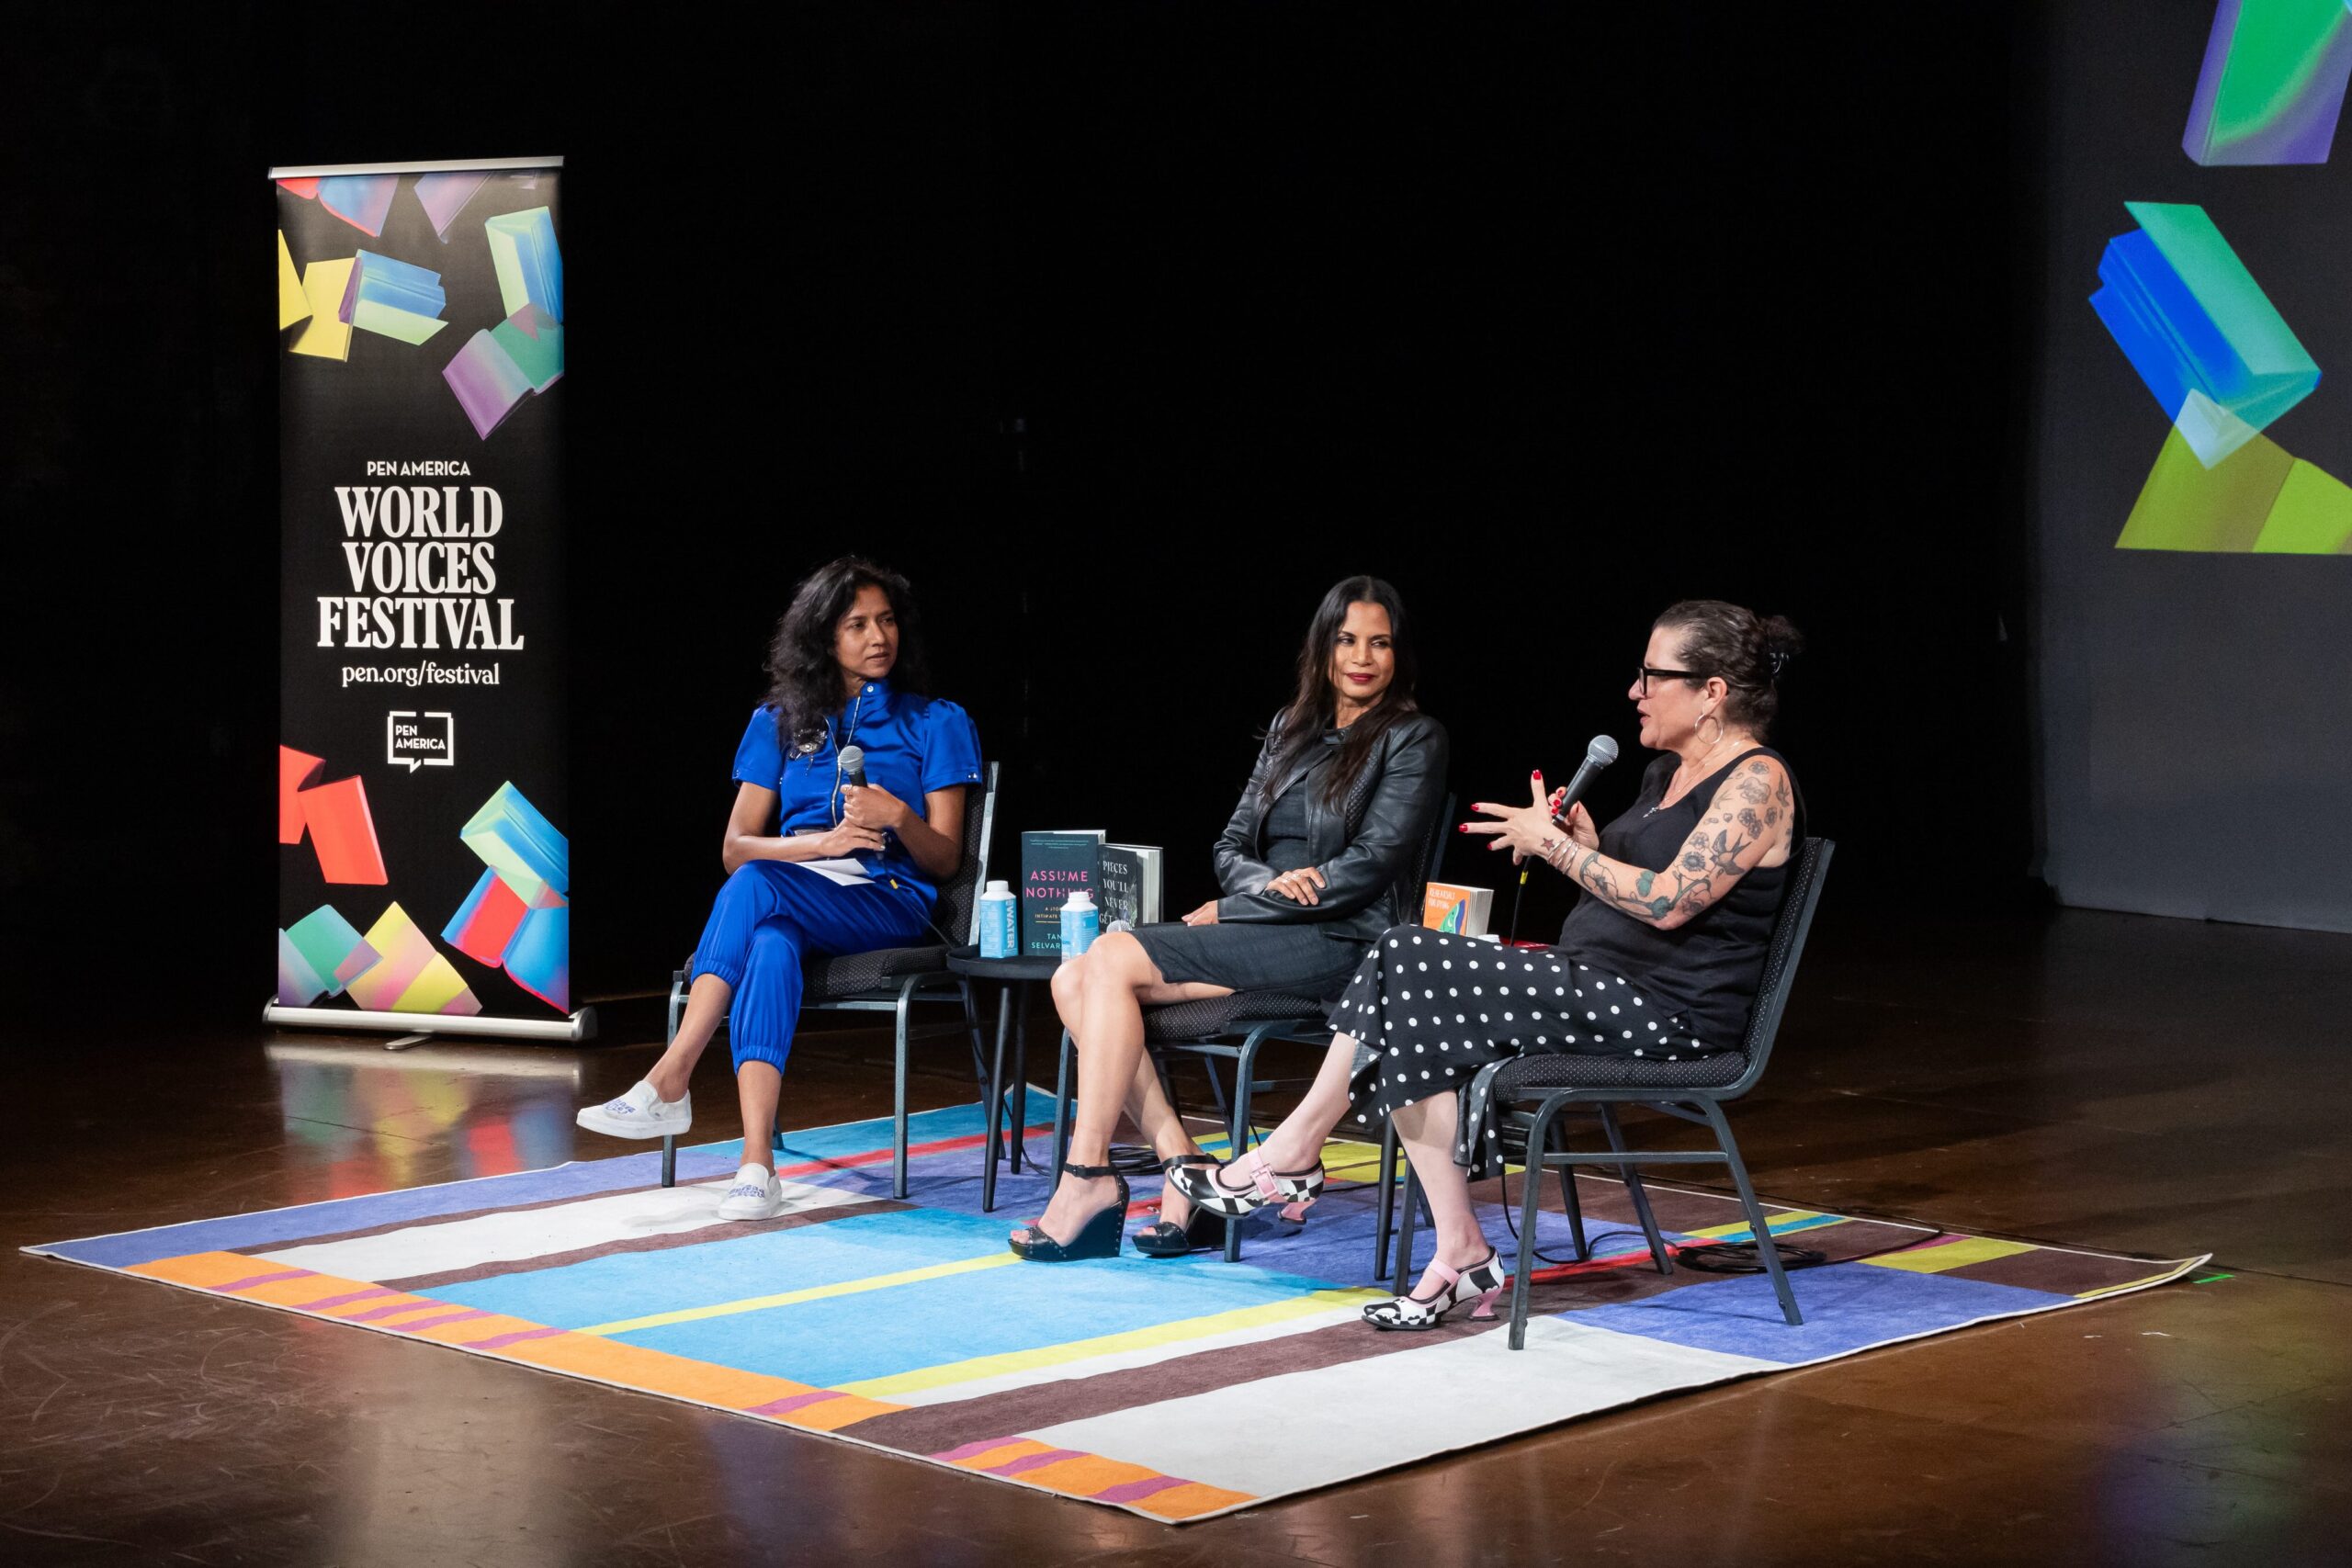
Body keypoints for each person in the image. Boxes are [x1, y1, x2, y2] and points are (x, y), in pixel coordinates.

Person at [1172, 599, 1803, 1327]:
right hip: (1600, 983)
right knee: (1408, 996)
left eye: (1652, 675)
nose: (1636, 690)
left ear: (1713, 691)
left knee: (1405, 952)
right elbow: (1637, 885)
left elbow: (1669, 903)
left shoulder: (1758, 781)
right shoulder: (1667, 773)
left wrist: (1559, 848)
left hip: (1669, 1014)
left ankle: (1293, 1151)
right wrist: (1587, 845)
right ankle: (1460, 1250)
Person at [1010, 576, 1448, 1262]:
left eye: (1381, 642)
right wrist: (1265, 886)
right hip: (1268, 928)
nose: (1363, 656)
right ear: (1323, 647)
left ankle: (1087, 1175)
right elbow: (1228, 845)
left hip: (1347, 942)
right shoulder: (1289, 728)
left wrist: (1241, 905)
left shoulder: (1413, 738)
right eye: (1348, 639)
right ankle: (1187, 1172)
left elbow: (1369, 867)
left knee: (1111, 957)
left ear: (1400, 653)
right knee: (1074, 978)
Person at [575, 558, 982, 1220]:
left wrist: (898, 817)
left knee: (760, 889)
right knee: (768, 940)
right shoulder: (778, 722)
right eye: (857, 624)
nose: (879, 636)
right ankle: (757, 1164)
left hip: (886, 902)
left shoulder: (935, 721)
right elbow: (736, 846)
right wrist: (817, 844)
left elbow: (943, 860)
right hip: (794, 888)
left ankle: (672, 1074)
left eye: (886, 621)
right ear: (826, 638)